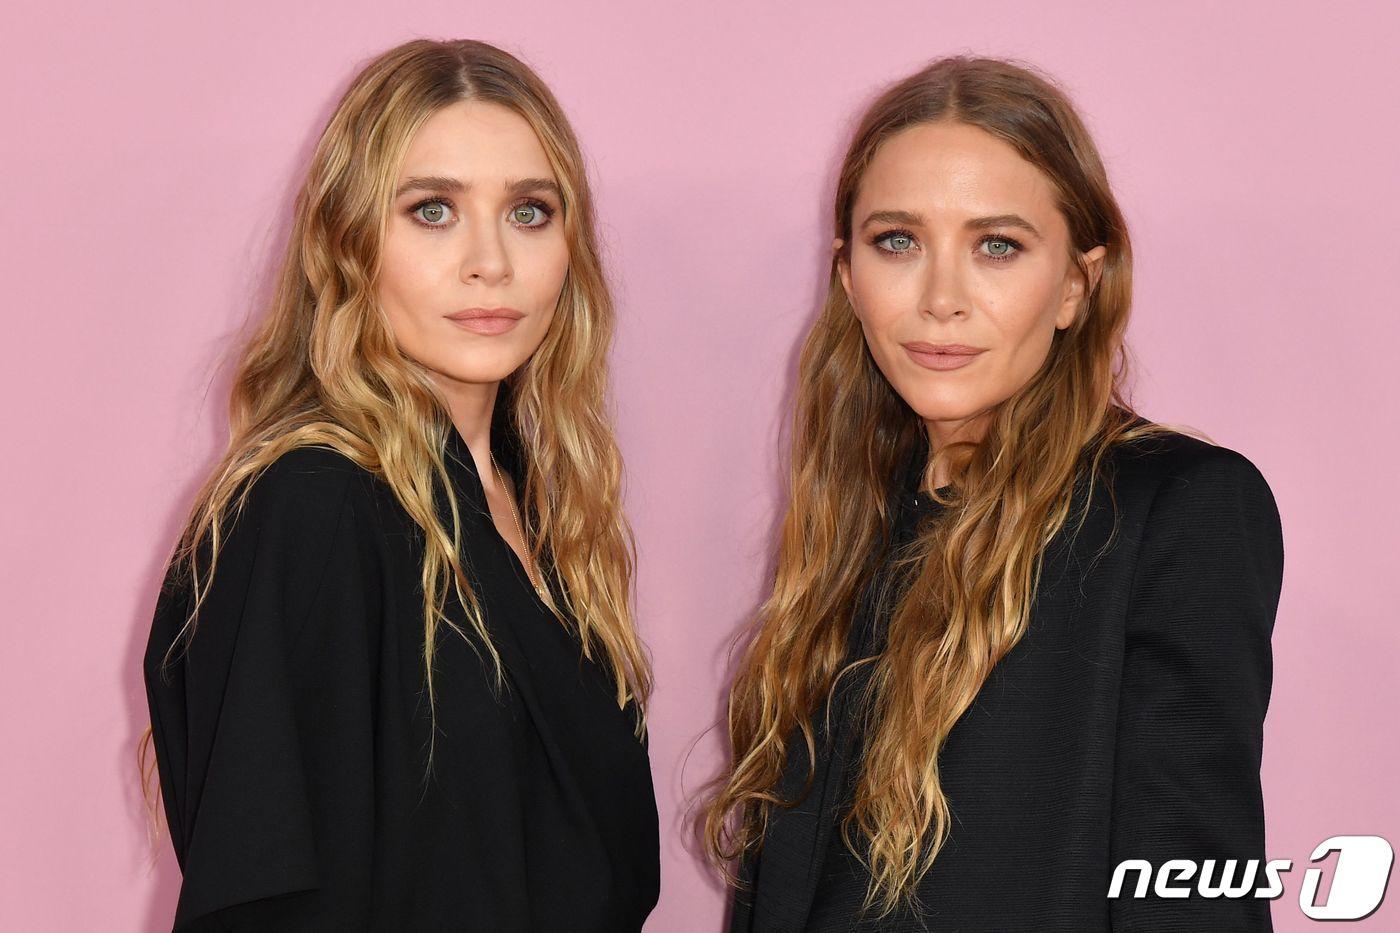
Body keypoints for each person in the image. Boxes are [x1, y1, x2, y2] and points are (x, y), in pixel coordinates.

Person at [703, 56, 1284, 932]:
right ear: (848, 275)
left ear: (1077, 284)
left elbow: (1195, 892)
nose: (941, 299)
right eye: (897, 241)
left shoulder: (1177, 510)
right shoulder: (851, 530)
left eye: (997, 246)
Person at [139, 38, 658, 932]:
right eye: (432, 210)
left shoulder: (537, 506)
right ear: (346, 240)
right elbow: (265, 896)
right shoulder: (313, 505)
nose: (490, 260)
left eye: (529, 211)